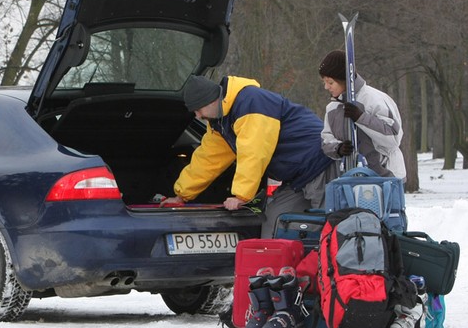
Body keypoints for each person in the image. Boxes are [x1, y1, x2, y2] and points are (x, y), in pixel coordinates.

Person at [160, 75, 334, 238]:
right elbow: (208, 160)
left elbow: (254, 152)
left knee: (329, 226)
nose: (198, 116)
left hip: (318, 164)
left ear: (211, 100)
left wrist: (241, 196)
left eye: (198, 110)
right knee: (275, 221)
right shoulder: (220, 121)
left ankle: (329, 259)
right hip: (296, 177)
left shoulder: (251, 102)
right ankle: (274, 263)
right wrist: (182, 195)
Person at [318, 50, 406, 179]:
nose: (326, 87)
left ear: (344, 80)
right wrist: (338, 148)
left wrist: (361, 118)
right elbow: (326, 141)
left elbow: (393, 137)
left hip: (385, 177)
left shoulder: (375, 100)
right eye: (324, 82)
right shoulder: (332, 108)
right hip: (350, 179)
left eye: (330, 82)